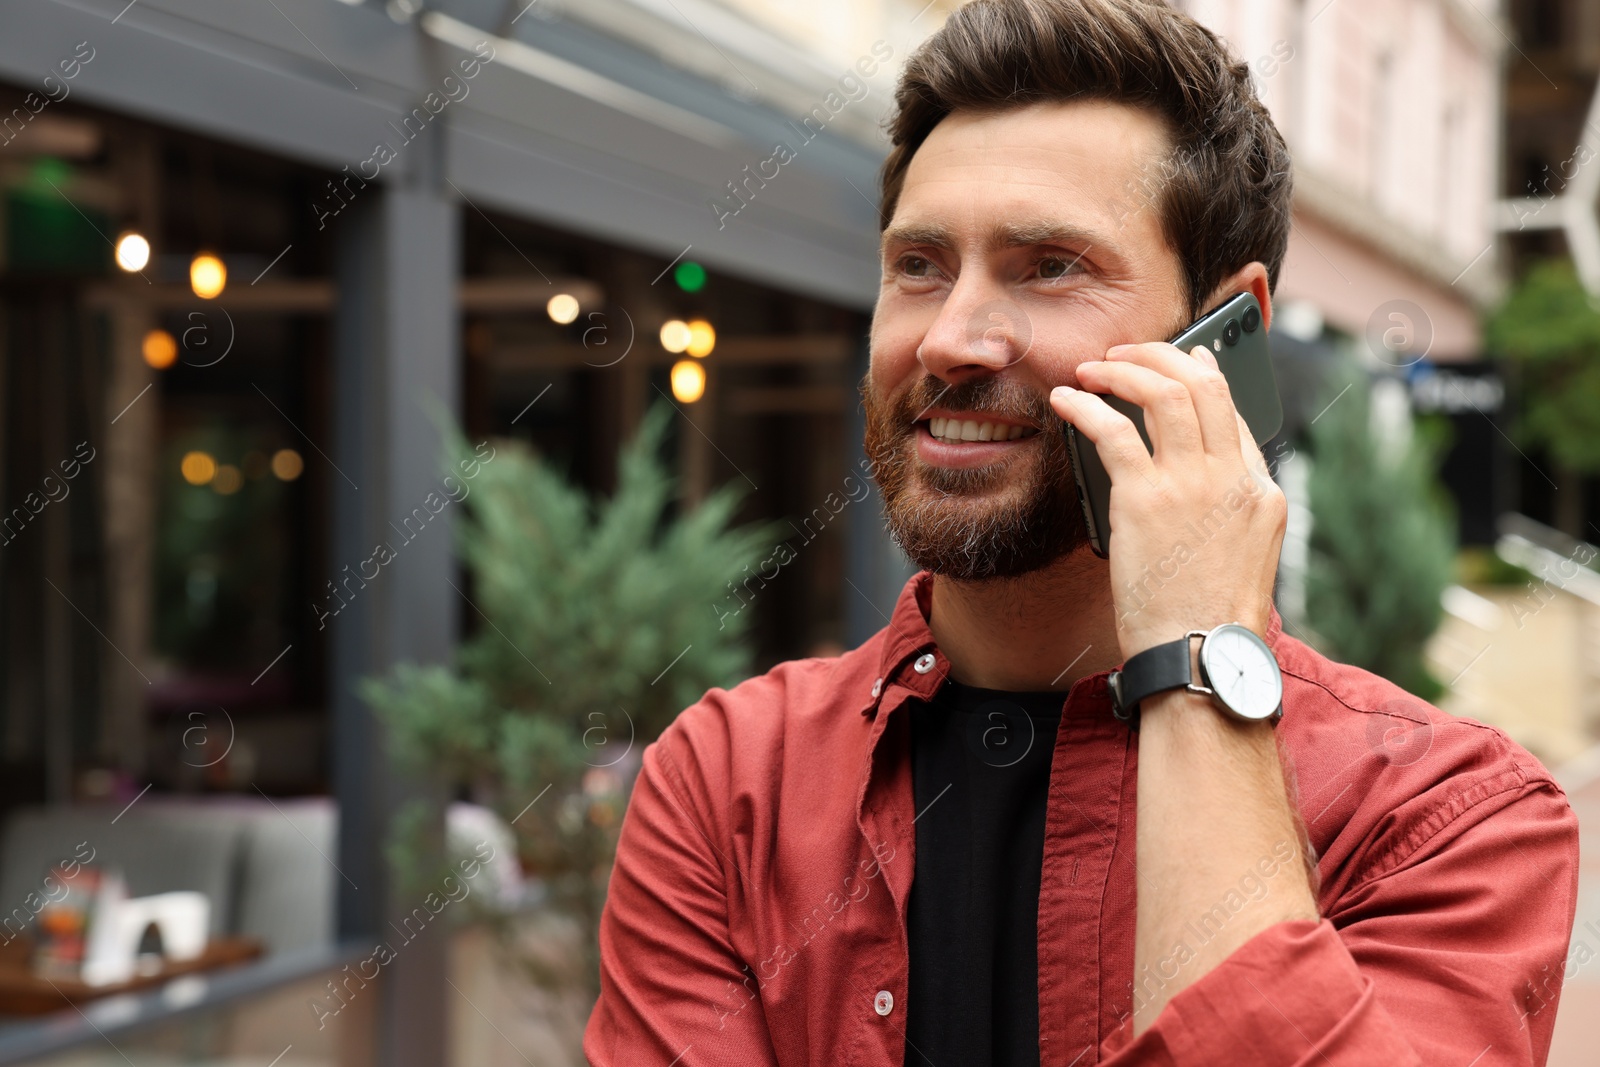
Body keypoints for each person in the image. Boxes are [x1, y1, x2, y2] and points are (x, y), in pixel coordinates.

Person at [584, 1, 1580, 1064]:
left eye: (1049, 264)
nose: (954, 337)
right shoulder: (732, 780)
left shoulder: (1444, 818)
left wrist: (1196, 650)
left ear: (1222, 338)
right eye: (919, 265)